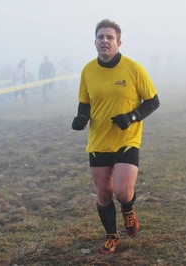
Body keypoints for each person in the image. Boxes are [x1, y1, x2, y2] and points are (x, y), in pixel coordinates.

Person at [71, 19, 160, 254]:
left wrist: (132, 117)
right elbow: (84, 102)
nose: (105, 41)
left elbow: (153, 101)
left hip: (126, 138)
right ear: (95, 42)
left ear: (118, 42)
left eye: (110, 37)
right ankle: (112, 236)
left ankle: (128, 209)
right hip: (99, 141)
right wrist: (81, 118)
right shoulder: (88, 70)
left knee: (122, 191)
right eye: (100, 37)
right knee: (103, 193)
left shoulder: (133, 68)